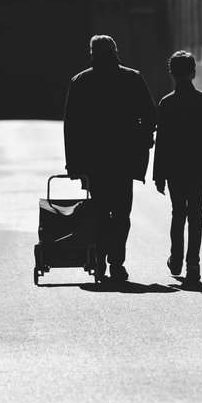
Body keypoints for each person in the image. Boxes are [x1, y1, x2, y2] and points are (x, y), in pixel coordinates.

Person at [63, 35, 157, 282]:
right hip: (124, 159)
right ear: (115, 52)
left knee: (101, 212)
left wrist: (73, 163)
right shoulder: (132, 78)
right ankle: (116, 262)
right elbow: (150, 116)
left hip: (94, 161)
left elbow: (71, 127)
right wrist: (143, 140)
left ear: (92, 54)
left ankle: (101, 259)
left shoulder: (81, 81)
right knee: (121, 214)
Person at [153, 50, 202, 284]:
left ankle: (176, 258)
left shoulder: (167, 103)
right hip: (198, 166)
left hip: (175, 168)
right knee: (195, 214)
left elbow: (162, 142)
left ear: (171, 74)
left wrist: (159, 175)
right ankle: (193, 263)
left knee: (178, 213)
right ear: (193, 73)